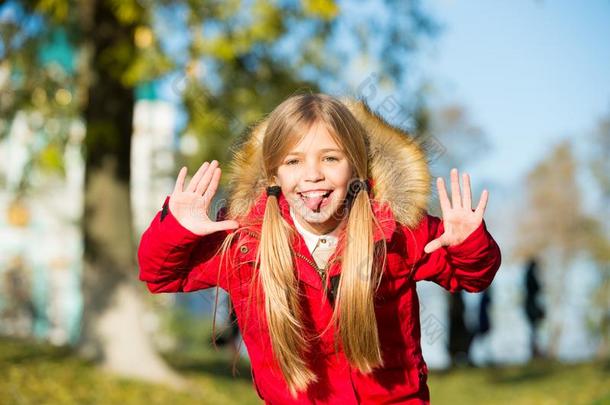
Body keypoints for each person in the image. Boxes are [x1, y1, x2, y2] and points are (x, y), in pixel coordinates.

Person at [137, 93, 502, 404]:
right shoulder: (245, 241)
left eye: (330, 158)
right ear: (273, 174)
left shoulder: (395, 230)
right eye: (293, 161)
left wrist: (469, 242)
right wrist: (177, 229)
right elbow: (159, 274)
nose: (312, 175)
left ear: (355, 167)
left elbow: (472, 276)